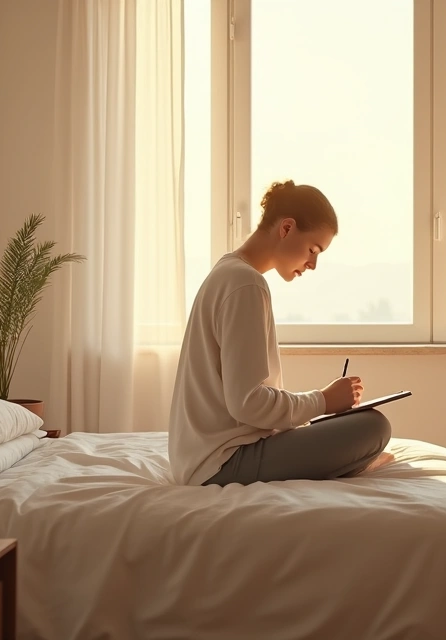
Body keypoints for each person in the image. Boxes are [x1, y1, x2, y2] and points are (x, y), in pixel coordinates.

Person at [168, 180, 395, 486]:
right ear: (286, 228)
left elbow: (242, 401)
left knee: (361, 427)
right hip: (222, 462)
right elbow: (247, 403)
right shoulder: (245, 283)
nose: (313, 264)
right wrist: (323, 400)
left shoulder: (229, 272)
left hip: (207, 457)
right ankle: (352, 461)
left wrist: (319, 407)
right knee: (374, 428)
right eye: (313, 249)